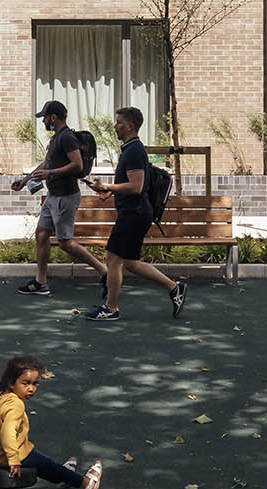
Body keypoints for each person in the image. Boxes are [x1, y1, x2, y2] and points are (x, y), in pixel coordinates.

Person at [85, 107, 185, 322]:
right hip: (135, 212)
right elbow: (131, 185)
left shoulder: (133, 151)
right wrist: (110, 192)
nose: (115, 126)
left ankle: (110, 308)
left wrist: (108, 187)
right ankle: (174, 287)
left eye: (119, 122)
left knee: (112, 258)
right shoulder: (131, 149)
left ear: (130, 126)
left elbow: (136, 186)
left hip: (134, 214)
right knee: (129, 262)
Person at [12, 100, 107, 296]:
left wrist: (51, 173)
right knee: (41, 234)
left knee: (65, 242)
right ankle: (40, 282)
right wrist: (25, 180)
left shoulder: (67, 138)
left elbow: (77, 165)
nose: (43, 121)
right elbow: (47, 163)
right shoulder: (56, 138)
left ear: (53, 117)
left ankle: (104, 271)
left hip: (66, 196)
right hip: (53, 195)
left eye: (45, 118)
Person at [0, 353, 103, 489]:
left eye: (35, 384)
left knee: (43, 465)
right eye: (25, 383)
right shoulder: (15, 405)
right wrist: (13, 460)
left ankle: (64, 477)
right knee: (45, 463)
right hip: (8, 457)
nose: (31, 388)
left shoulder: (0, 398)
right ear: (11, 383)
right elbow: (7, 433)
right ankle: (87, 483)